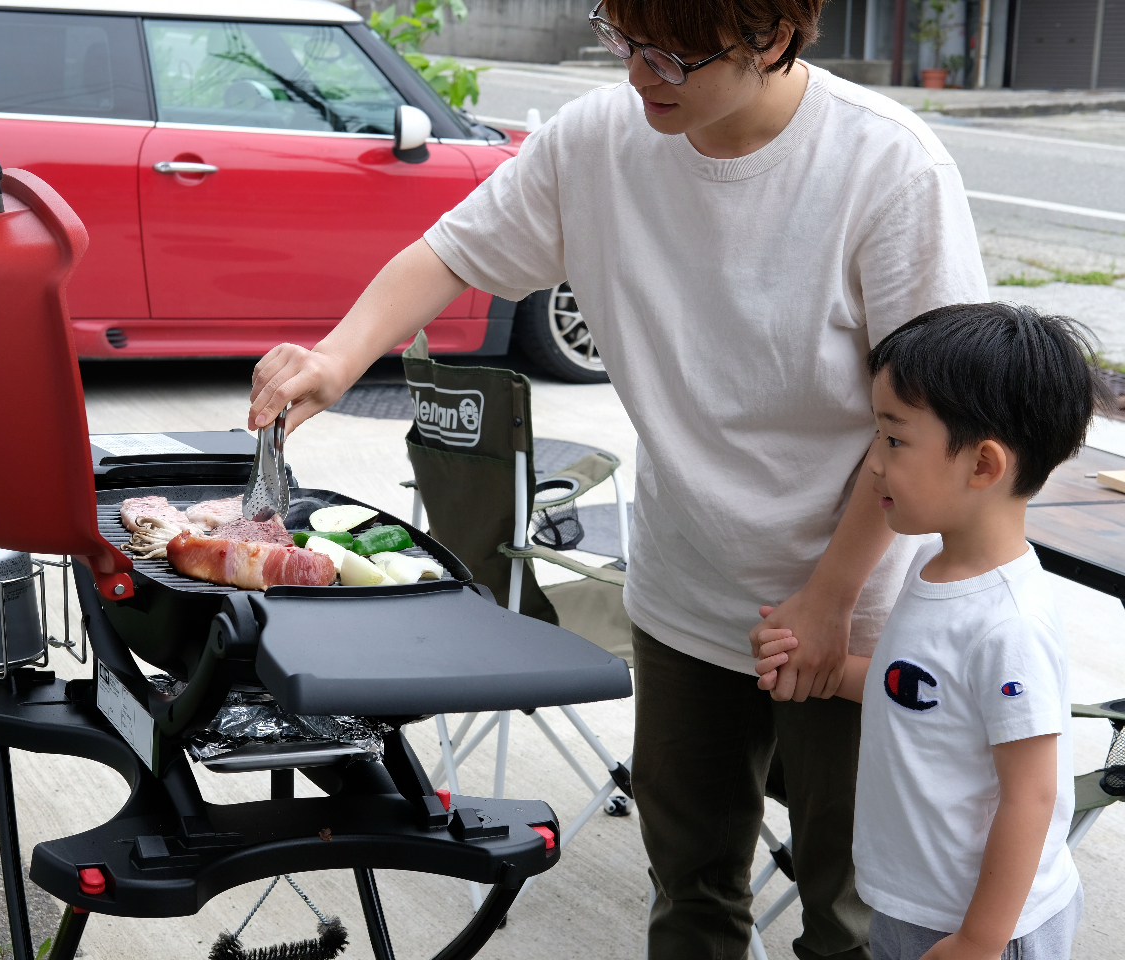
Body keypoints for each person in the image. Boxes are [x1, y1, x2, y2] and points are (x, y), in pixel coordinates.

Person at [247, 0, 987, 956]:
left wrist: (832, 593)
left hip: (859, 601)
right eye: (624, 39)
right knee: (690, 891)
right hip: (687, 593)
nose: (641, 74)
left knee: (851, 915)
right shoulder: (600, 140)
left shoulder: (886, 169)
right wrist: (336, 362)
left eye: (674, 56)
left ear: (771, 37)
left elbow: (933, 419)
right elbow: (449, 251)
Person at [755, 303, 1108, 960]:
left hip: (987, 925)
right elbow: (916, 689)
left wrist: (979, 938)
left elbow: (1031, 793)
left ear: (982, 466)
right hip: (911, 903)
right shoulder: (934, 565)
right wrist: (818, 666)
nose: (875, 465)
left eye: (893, 439)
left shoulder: (1009, 624)